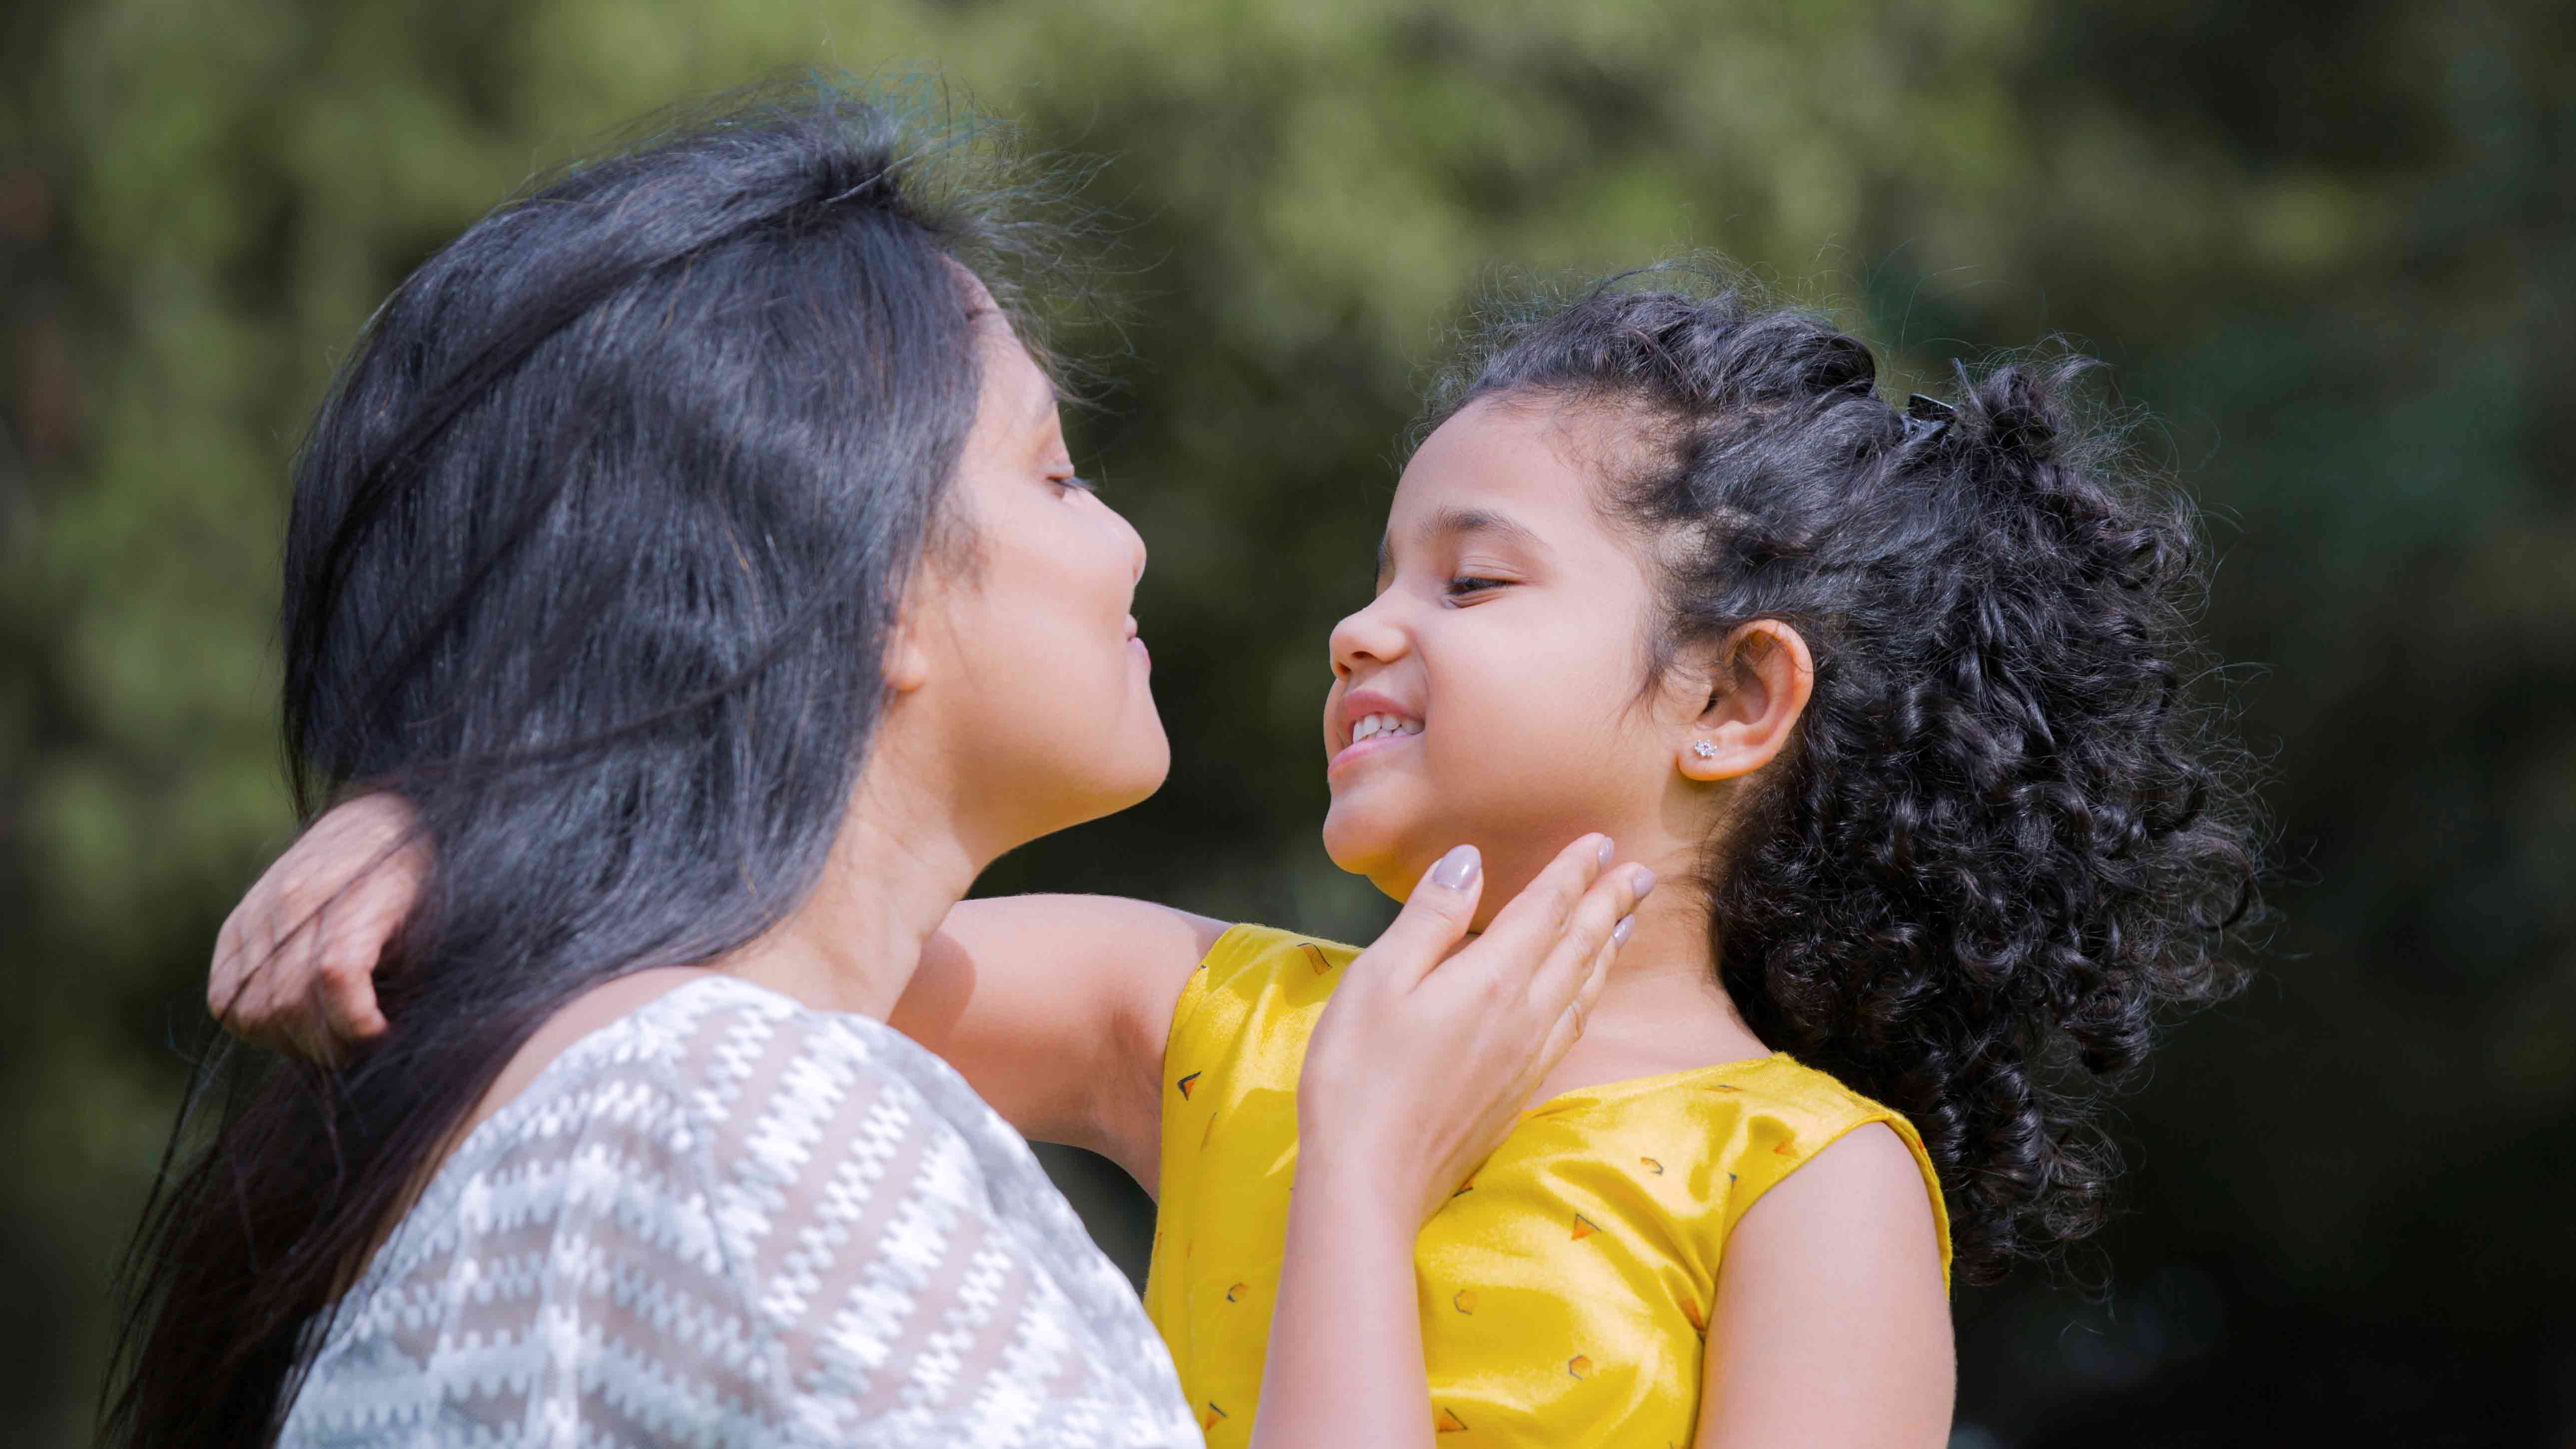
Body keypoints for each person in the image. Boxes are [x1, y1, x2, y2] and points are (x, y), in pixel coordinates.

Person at [215, 274, 2265, 1446]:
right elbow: (735, 945)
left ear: (1731, 700)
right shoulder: (1190, 1012)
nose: (1361, 627)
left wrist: (1359, 1171)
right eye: (1378, 570)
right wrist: (456, 822)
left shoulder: (1810, 1191)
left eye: (1469, 579)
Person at [109, 86, 1659, 1449]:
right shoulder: (743, 1121)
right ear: (872, 590)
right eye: (1053, 471)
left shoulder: (644, 1088)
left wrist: (480, 839)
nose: (1126, 542)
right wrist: (1362, 1172)